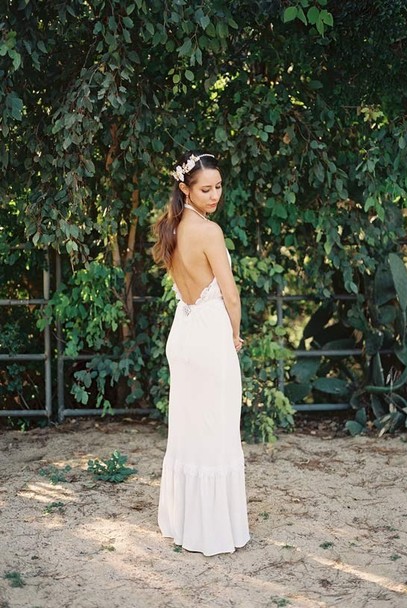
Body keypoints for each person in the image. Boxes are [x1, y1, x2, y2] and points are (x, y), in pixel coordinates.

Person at [152, 150, 250, 556]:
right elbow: (230, 294)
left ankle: (184, 523)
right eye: (206, 189)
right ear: (185, 189)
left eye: (218, 187)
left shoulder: (171, 228)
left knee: (189, 430)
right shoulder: (209, 232)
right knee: (217, 430)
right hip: (209, 333)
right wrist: (236, 334)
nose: (214, 195)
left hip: (184, 332)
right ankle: (211, 530)